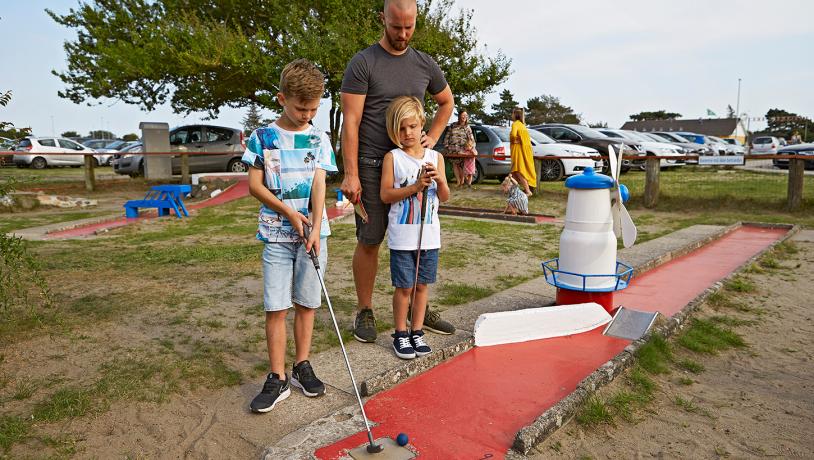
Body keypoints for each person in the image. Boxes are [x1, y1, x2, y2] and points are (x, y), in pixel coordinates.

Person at [340, 0, 456, 343]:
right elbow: (351, 122)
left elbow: (446, 102)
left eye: (408, 27)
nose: (402, 34)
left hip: (414, 168)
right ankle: (365, 310)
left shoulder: (424, 64)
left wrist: (431, 139)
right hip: (374, 168)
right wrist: (351, 173)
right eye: (395, 27)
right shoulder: (363, 63)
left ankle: (418, 309)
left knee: (418, 241)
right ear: (383, 19)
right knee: (371, 240)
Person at [243, 59, 338, 413]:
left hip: (314, 236)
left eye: (313, 108)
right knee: (276, 306)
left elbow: (318, 182)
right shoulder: (263, 137)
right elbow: (254, 185)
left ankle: (301, 365)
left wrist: (314, 226)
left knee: (307, 303)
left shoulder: (318, 136)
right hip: (276, 235)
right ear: (282, 98)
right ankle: (277, 376)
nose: (307, 114)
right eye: (301, 107)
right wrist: (287, 212)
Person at [380, 96, 450, 359]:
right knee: (404, 287)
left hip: (429, 237)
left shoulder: (435, 157)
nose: (407, 133)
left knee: (422, 286)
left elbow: (444, 196)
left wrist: (440, 180)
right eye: (401, 128)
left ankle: (417, 331)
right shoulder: (393, 158)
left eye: (412, 126)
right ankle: (400, 333)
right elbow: (386, 195)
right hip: (403, 237)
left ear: (422, 124)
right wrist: (415, 187)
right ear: (394, 129)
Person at [443, 111, 476, 187]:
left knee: (462, 165)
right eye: (463, 115)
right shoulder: (453, 125)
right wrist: (446, 146)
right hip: (453, 148)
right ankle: (458, 182)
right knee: (455, 164)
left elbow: (471, 139)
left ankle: (462, 182)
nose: (464, 117)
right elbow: (447, 136)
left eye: (466, 115)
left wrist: (471, 147)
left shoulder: (467, 127)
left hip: (463, 149)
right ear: (459, 116)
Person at [509, 107, 536, 196]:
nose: (511, 115)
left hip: (517, 151)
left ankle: (527, 191)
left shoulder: (515, 124)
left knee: (518, 170)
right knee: (514, 172)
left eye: (512, 114)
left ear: (515, 115)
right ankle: (514, 191)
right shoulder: (522, 125)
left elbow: (513, 134)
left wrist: (514, 140)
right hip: (523, 150)